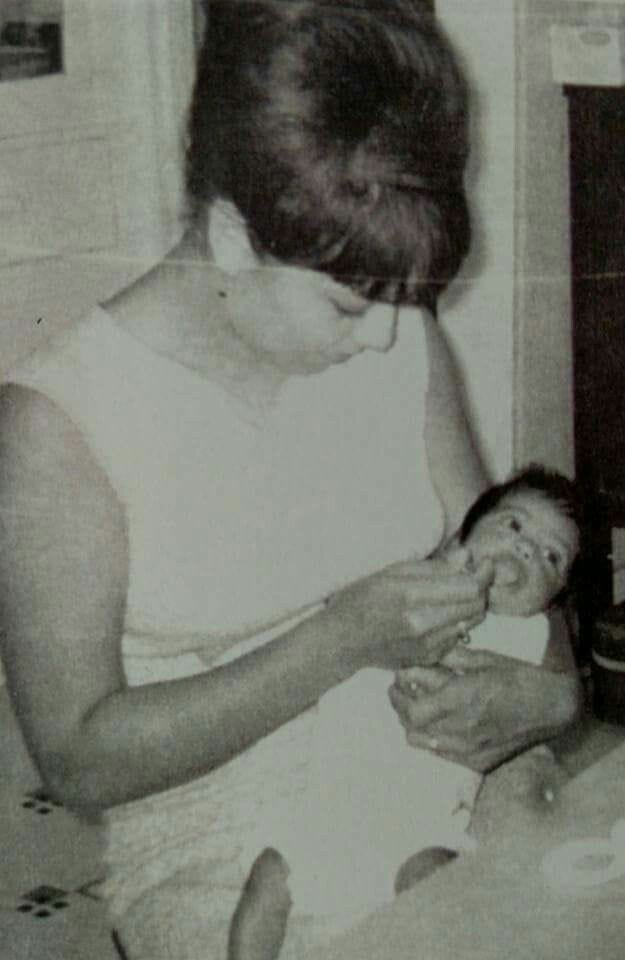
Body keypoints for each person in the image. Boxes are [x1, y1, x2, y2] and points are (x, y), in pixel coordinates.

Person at [0, 3, 581, 959]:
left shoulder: (388, 324)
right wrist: (341, 641)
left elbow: (512, 568)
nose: (391, 336)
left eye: (403, 301)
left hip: (444, 784)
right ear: (232, 238)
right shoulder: (58, 424)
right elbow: (78, 758)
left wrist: (547, 699)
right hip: (226, 847)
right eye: (353, 305)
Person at [222, 465, 581, 955]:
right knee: (268, 879)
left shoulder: (531, 634)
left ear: (555, 596)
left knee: (438, 883)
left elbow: (554, 701)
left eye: (551, 556)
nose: (525, 549)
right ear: (466, 530)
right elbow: (342, 603)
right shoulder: (413, 581)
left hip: (423, 821)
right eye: (515, 524)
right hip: (329, 801)